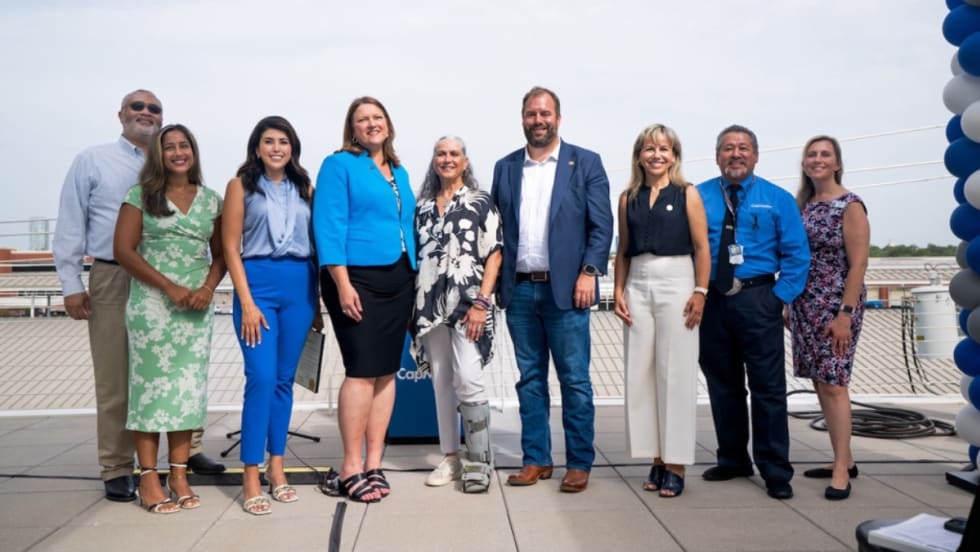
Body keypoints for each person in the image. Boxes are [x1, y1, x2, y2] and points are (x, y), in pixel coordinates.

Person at [52, 91, 225, 504]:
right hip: (115, 275)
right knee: (118, 378)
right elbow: (71, 221)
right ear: (121, 115)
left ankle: (187, 454)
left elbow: (211, 243)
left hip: (183, 286)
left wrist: (200, 286)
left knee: (181, 376)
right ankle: (117, 466)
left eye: (154, 109)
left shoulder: (187, 179)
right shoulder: (93, 160)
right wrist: (71, 284)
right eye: (137, 107)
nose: (145, 113)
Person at [491, 86, 614, 493]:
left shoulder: (586, 163)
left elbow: (602, 226)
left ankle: (578, 462)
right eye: (531, 114)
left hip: (567, 291)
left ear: (558, 118)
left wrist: (590, 271)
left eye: (545, 114)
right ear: (522, 118)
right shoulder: (506, 167)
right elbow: (496, 231)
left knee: (575, 380)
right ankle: (536, 459)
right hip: (521, 292)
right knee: (529, 380)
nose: (538, 120)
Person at [113, 124, 225, 513]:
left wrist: (207, 289)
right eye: (170, 147)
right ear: (158, 155)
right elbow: (124, 250)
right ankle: (148, 477)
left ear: (193, 152)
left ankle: (178, 474)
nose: (178, 152)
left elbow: (222, 253)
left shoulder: (213, 200)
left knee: (187, 392)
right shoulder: (141, 195)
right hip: (153, 306)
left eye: (184, 146)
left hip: (196, 307)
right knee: (149, 392)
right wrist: (168, 287)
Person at [696, 125, 810, 500]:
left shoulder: (777, 199)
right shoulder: (698, 197)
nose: (735, 154)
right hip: (713, 301)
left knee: (768, 389)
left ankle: (775, 469)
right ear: (717, 157)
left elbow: (797, 255)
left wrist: (779, 297)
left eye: (743, 148)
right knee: (722, 385)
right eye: (728, 148)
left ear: (756, 155)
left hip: (758, 297)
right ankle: (732, 459)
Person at [313, 96, 416, 503]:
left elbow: (407, 223)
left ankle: (374, 463)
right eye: (362, 119)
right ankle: (349, 466)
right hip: (355, 278)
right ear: (352, 128)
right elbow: (329, 224)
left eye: (377, 117)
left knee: (387, 371)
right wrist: (341, 283)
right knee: (361, 370)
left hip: (399, 277)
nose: (371, 124)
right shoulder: (339, 164)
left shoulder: (401, 171)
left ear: (388, 124)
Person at [222, 116, 319, 515]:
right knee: (260, 379)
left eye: (283, 141)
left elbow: (315, 247)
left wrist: (317, 305)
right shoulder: (240, 186)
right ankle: (250, 473)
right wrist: (246, 301)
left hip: (300, 288)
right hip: (257, 285)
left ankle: (277, 469)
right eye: (268, 141)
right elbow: (230, 247)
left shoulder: (305, 188)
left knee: (283, 382)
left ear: (292, 147)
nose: (277, 148)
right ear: (256, 147)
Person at [612, 124, 710, 498]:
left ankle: (676, 462)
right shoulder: (627, 198)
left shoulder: (688, 194)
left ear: (674, 156)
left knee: (676, 372)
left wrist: (700, 291)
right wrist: (619, 290)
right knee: (642, 372)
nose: (656, 155)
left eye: (664, 149)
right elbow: (623, 249)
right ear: (639, 155)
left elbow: (702, 247)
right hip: (638, 281)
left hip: (677, 280)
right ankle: (656, 455)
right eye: (650, 149)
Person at [413, 136, 503, 493]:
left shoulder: (481, 202)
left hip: (469, 305)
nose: (447, 159)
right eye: (441, 153)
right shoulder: (421, 207)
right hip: (429, 305)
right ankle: (450, 456)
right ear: (434, 160)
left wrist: (482, 302)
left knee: (468, 377)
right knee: (441, 383)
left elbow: (494, 253)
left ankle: (479, 460)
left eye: (454, 154)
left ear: (465, 161)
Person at [789, 135, 869, 501]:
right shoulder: (803, 205)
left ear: (837, 163)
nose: (817, 159)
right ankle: (845, 457)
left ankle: (840, 469)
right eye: (812, 154)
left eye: (825, 154)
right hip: (807, 303)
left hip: (838, 304)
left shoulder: (850, 205)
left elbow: (859, 264)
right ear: (805, 163)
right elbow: (795, 257)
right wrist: (789, 300)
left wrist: (845, 315)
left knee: (835, 383)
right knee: (821, 381)